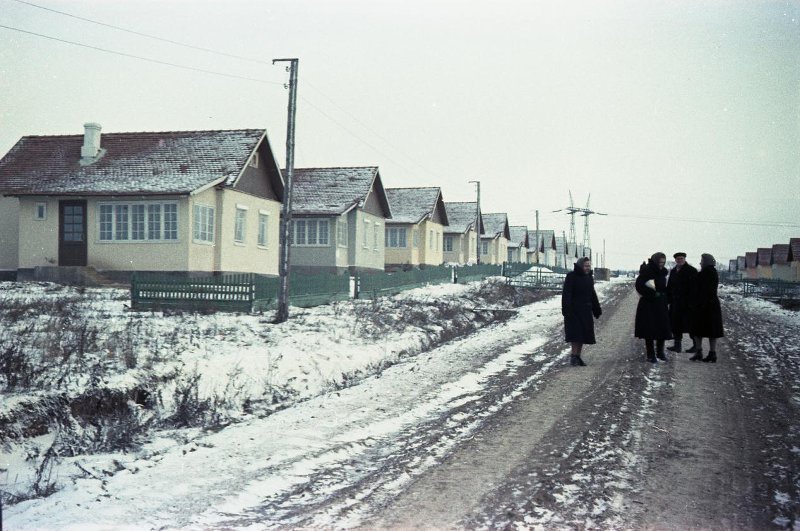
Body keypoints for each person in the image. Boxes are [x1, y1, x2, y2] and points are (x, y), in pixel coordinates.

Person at [562, 257, 602, 366]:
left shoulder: (589, 277)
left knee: (583, 335)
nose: (588, 268)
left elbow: (592, 294)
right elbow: (567, 294)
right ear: (580, 266)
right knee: (575, 335)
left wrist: (596, 309)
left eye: (589, 266)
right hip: (574, 311)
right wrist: (566, 310)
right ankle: (573, 356)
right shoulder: (571, 276)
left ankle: (577, 356)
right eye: (586, 266)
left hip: (585, 311)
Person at [635, 252, 673, 363]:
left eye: (663, 262)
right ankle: (650, 354)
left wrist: (666, 296)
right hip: (648, 304)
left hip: (660, 304)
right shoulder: (647, 271)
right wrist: (651, 294)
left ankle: (660, 352)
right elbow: (639, 285)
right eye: (660, 262)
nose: (661, 264)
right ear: (655, 261)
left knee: (662, 328)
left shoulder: (663, 273)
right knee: (649, 329)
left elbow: (664, 287)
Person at [690, 253, 724, 362]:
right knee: (711, 330)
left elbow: (700, 289)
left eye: (702, 260)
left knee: (698, 329)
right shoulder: (712, 272)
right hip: (711, 304)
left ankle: (700, 352)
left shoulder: (706, 273)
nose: (700, 262)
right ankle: (711, 353)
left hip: (704, 305)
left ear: (706, 262)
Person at [667, 252, 698, 354]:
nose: (679, 260)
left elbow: (695, 288)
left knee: (691, 325)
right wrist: (668, 299)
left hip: (687, 304)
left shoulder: (692, 271)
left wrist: (692, 302)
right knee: (676, 324)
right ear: (675, 260)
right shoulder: (673, 271)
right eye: (678, 259)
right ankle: (677, 346)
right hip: (675, 303)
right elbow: (669, 286)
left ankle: (696, 346)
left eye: (681, 258)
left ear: (684, 259)